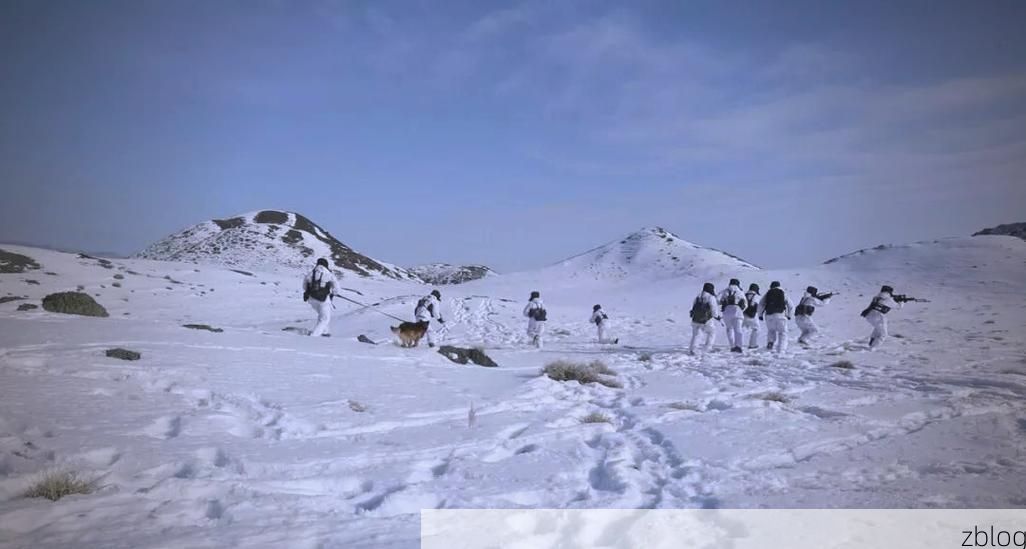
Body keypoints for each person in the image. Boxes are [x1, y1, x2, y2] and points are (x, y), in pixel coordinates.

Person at [303, 258, 339, 337]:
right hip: (323, 300)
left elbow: (304, 287)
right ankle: (314, 335)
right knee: (325, 318)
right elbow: (336, 288)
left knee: (322, 315)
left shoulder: (311, 273)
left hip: (311, 299)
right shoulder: (328, 274)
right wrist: (333, 293)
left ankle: (325, 332)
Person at [861, 285, 901, 350]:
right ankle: (872, 348)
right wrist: (901, 301)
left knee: (878, 328)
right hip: (878, 316)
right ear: (889, 292)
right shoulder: (888, 299)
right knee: (883, 335)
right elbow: (898, 307)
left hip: (869, 315)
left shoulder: (876, 297)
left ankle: (872, 341)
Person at [758, 281, 792, 354]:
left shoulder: (768, 293)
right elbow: (791, 305)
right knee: (783, 332)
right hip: (781, 316)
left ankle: (770, 342)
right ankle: (781, 349)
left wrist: (760, 315)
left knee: (771, 330)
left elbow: (761, 304)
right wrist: (789, 315)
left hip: (769, 316)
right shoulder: (783, 293)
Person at [689, 282, 721, 355]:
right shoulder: (710, 297)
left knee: (696, 334)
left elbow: (693, 307)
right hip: (706, 320)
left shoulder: (698, 297)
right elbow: (714, 310)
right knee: (712, 332)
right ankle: (707, 348)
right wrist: (717, 317)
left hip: (695, 319)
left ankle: (693, 349)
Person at [717, 278, 747, 353]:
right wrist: (741, 310)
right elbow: (745, 304)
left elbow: (717, 300)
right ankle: (738, 346)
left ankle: (732, 346)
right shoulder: (740, 291)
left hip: (726, 312)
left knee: (729, 329)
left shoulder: (725, 291)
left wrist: (722, 303)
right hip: (737, 311)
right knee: (738, 330)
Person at [742, 283, 762, 349]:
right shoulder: (756, 296)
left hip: (743, 316)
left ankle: (738, 344)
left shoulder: (744, 295)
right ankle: (752, 345)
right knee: (756, 329)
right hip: (753, 316)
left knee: (741, 330)